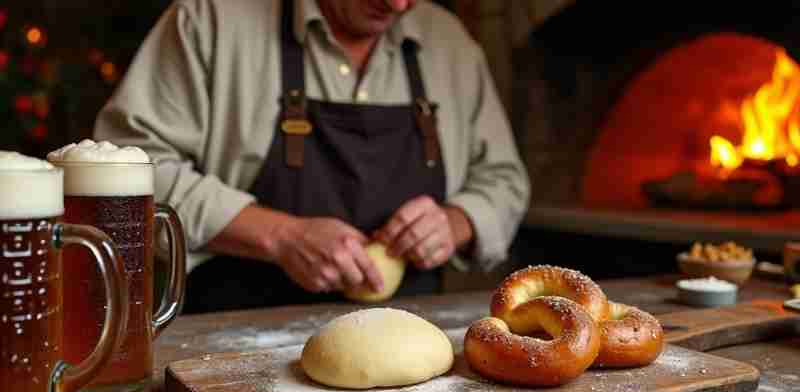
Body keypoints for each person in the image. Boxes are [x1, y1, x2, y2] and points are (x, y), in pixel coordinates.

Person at [94, 0, 531, 313]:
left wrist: (455, 223)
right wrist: (281, 236)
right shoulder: (209, 19)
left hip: (413, 335)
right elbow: (127, 171)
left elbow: (504, 180)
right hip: (230, 337)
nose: (397, 4)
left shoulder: (449, 42)